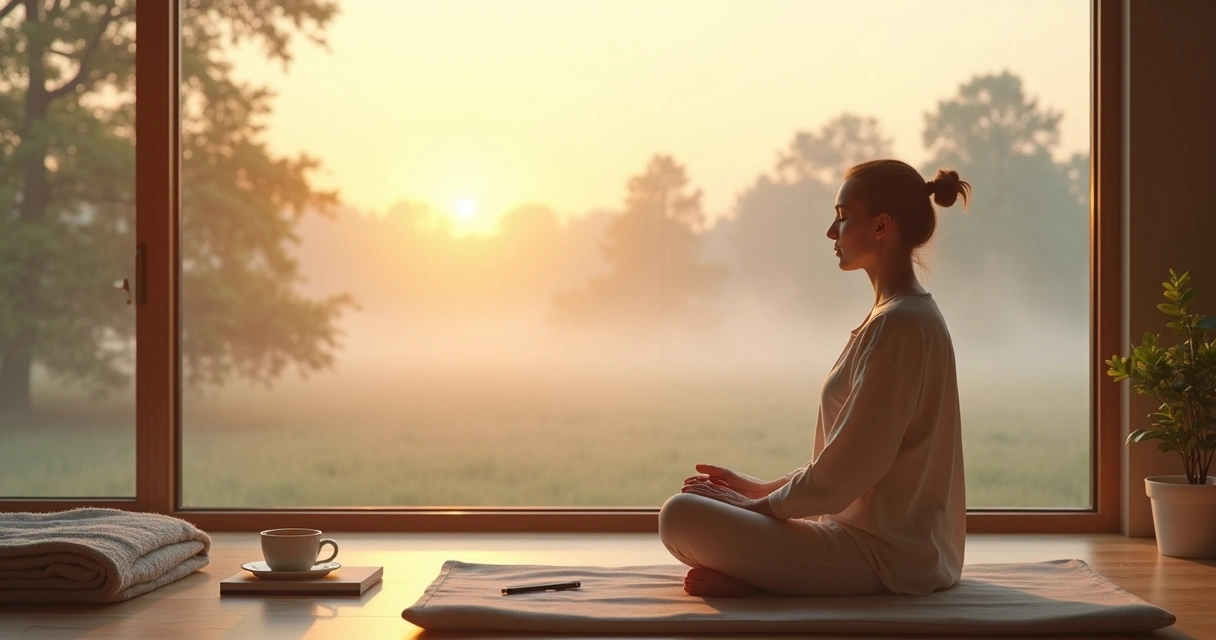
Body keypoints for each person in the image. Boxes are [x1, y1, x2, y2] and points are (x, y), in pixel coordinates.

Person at [658, 159, 971, 598]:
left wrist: (756, 506)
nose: (831, 232)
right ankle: (762, 577)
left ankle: (761, 582)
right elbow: (849, 458)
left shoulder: (901, 326)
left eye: (843, 217)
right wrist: (761, 489)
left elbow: (845, 474)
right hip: (884, 547)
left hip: (887, 559)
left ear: (882, 226)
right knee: (693, 510)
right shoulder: (898, 318)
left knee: (680, 517)